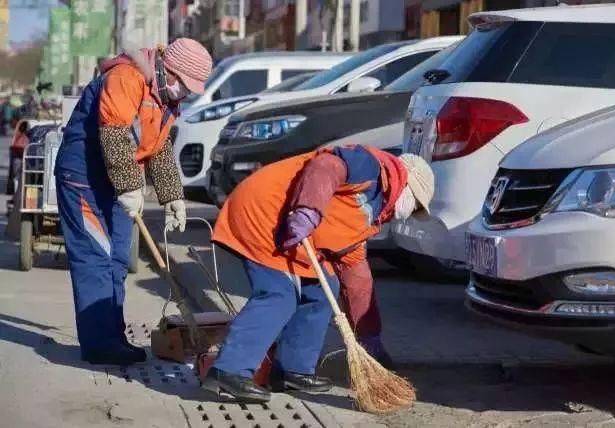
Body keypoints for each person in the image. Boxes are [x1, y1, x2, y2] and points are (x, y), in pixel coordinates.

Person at [204, 144, 434, 403]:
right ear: (407, 187)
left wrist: (369, 337)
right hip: (266, 212)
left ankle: (293, 370)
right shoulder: (370, 165)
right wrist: (308, 211)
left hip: (296, 236)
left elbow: (357, 280)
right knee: (280, 293)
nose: (409, 214)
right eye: (415, 207)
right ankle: (229, 371)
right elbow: (326, 166)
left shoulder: (374, 212)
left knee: (324, 291)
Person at [54, 38, 212, 365]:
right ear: (169, 70)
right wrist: (129, 185)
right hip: (84, 178)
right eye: (185, 84)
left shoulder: (166, 97)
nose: (186, 93)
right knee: (96, 258)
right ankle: (100, 344)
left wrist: (172, 197)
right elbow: (114, 134)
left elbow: (159, 147)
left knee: (117, 262)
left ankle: (112, 335)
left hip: (118, 181)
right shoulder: (126, 78)